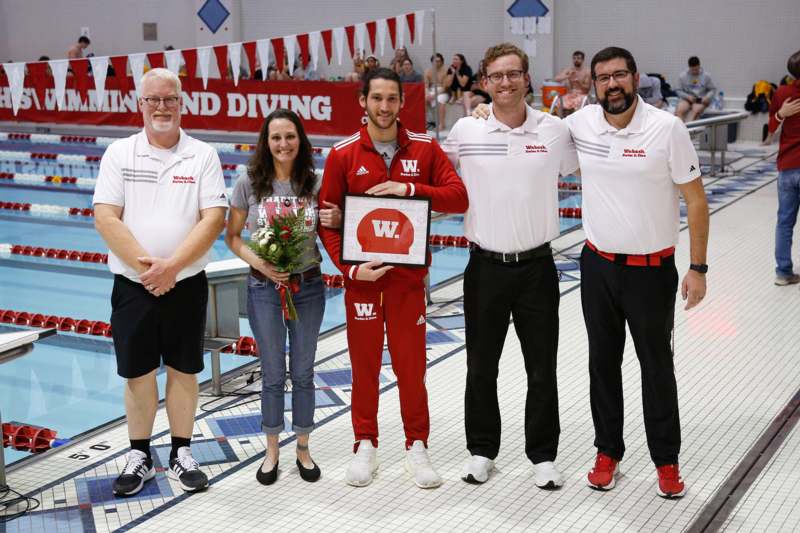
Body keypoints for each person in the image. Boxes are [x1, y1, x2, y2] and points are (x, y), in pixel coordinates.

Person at [565, 46, 709, 498]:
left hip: (651, 272)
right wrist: (490, 105)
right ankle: (607, 450)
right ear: (594, 85)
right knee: (602, 365)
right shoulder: (581, 124)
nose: (612, 84)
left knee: (656, 367)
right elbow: (528, 128)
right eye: (603, 78)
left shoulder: (667, 129)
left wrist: (698, 268)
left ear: (635, 78)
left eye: (620, 75)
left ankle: (666, 461)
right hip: (597, 266)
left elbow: (697, 200)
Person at [318, 67, 468, 489]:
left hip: (406, 285)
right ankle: (365, 442)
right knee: (364, 370)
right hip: (362, 282)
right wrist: (349, 269)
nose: (384, 107)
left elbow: (459, 197)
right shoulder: (343, 155)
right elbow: (326, 221)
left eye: (392, 99)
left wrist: (410, 191)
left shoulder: (424, 149)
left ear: (403, 103)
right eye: (377, 98)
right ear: (362, 102)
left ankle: (416, 445)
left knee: (410, 368)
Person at [445, 42, 578, 488]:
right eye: (497, 76)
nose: (506, 82)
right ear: (485, 82)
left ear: (527, 78)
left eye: (513, 74)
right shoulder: (466, 130)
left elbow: (592, 165)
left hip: (537, 267)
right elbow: (432, 177)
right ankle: (482, 450)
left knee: (542, 366)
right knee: (481, 366)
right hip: (484, 267)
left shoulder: (555, 131)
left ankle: (542, 455)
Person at [93, 68, 228, 496]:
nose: (162, 107)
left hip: (186, 282)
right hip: (133, 286)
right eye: (153, 100)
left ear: (182, 102)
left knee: (184, 370)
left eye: (169, 99)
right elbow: (105, 216)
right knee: (137, 373)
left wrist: (171, 268)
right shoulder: (120, 153)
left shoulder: (202, 154)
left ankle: (181, 452)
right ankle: (139, 454)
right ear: (141, 104)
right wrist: (150, 269)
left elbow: (214, 219)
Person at [226, 109, 341, 484]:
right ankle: (272, 448)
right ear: (266, 142)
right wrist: (260, 261)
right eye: (276, 137)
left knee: (304, 372)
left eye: (290, 136)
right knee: (273, 373)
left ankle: (303, 447)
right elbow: (233, 237)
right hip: (263, 288)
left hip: (307, 287)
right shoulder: (248, 182)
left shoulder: (315, 182)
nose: (283, 144)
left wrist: (338, 219)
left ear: (300, 140)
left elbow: (333, 227)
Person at [769, 49, 800, 286]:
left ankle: (783, 273)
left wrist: (780, 113)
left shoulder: (782, 93)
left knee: (785, 221)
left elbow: (770, 130)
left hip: (788, 166)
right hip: (790, 166)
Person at [675, 56, 717, 122]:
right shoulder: (683, 76)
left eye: (696, 69)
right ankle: (682, 130)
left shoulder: (706, 76)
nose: (694, 72)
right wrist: (687, 96)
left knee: (695, 111)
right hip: (688, 99)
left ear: (699, 66)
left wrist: (707, 97)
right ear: (689, 67)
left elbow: (712, 89)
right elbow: (678, 90)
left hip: (701, 99)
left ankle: (688, 130)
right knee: (679, 110)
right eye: (692, 70)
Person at [554, 50, 591, 115]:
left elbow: (587, 88)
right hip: (570, 94)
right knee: (559, 101)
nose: (576, 60)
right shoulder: (569, 70)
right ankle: (560, 121)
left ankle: (576, 122)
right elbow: (556, 79)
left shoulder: (587, 72)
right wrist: (567, 76)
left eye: (578, 58)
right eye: (574, 58)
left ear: (582, 60)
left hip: (582, 95)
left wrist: (579, 82)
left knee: (578, 102)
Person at [425, 53, 449, 130]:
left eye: (438, 61)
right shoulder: (428, 71)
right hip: (431, 90)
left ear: (442, 62)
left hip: (442, 92)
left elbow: (445, 88)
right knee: (423, 99)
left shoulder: (446, 71)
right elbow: (426, 85)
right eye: (435, 61)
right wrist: (427, 93)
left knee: (440, 100)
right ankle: (425, 122)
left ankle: (441, 124)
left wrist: (434, 95)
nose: (437, 63)